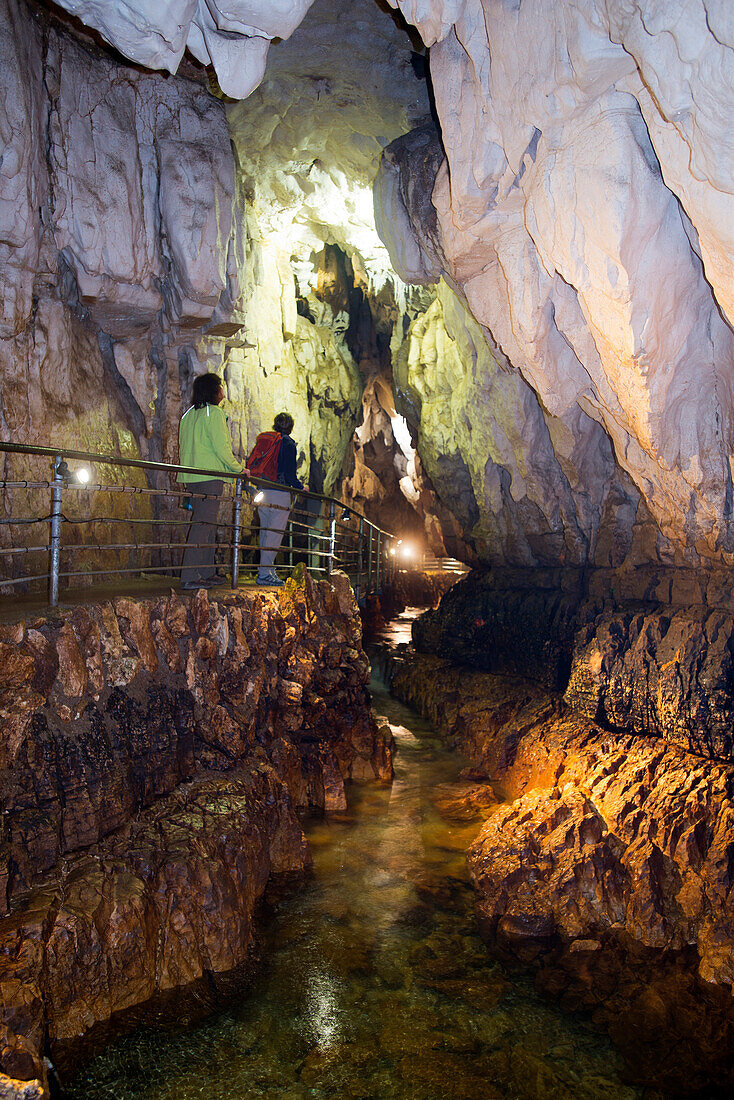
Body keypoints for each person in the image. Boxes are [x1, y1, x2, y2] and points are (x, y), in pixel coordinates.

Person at [178, 373, 248, 590]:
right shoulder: (215, 413)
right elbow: (221, 449)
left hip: (191, 477)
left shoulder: (188, 415)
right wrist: (238, 470)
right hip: (209, 477)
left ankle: (206, 572)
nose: (223, 393)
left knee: (205, 525)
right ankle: (190, 576)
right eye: (221, 388)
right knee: (202, 526)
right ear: (214, 390)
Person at [256, 412, 303, 586]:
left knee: (265, 532)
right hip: (279, 492)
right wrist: (300, 488)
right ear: (290, 426)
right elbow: (290, 475)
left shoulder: (267, 440)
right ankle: (264, 574)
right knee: (274, 534)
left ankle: (267, 570)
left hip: (263, 491)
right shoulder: (288, 443)